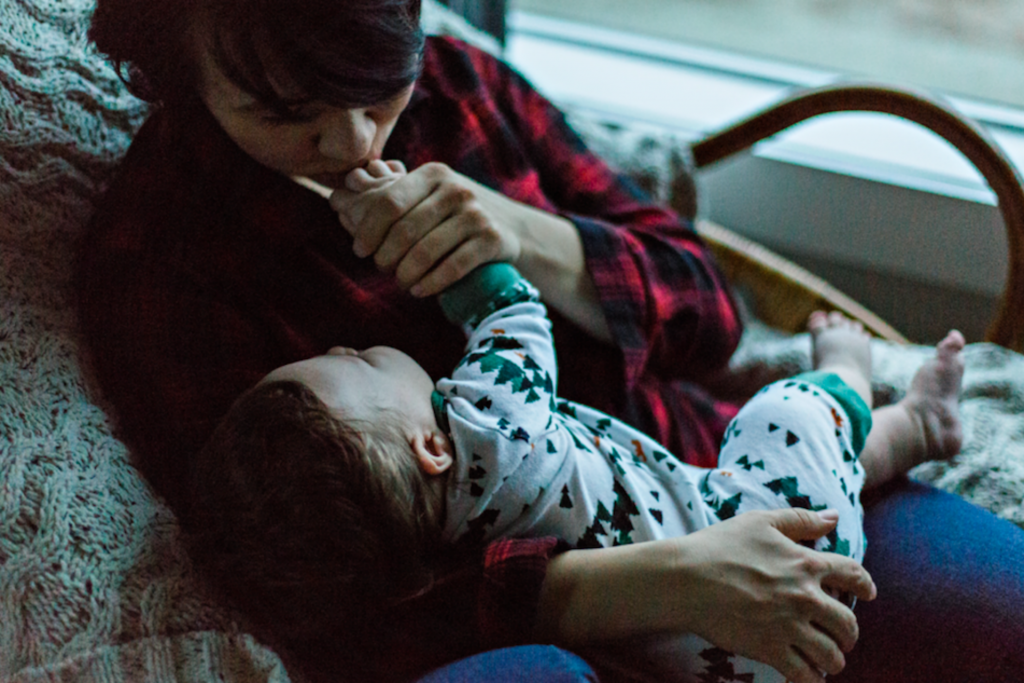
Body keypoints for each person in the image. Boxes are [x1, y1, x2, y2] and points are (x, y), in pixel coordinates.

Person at [78, 0, 1024, 682]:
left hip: (710, 472)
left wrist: (525, 234)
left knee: (999, 608)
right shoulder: (161, 260)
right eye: (289, 115)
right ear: (179, 70)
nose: (359, 140)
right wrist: (661, 580)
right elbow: (321, 602)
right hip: (520, 630)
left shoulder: (462, 88)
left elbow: (709, 316)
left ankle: (883, 425)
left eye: (377, 87)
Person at [188, 247, 966, 682]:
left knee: (782, 468)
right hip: (779, 555)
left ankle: (910, 427)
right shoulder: (485, 429)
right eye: (351, 361)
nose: (339, 346)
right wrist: (461, 264)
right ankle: (865, 386)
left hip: (714, 663)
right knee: (783, 418)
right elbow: (515, 314)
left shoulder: (430, 567)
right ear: (430, 447)